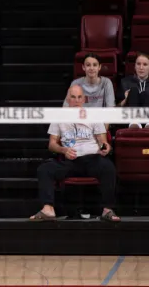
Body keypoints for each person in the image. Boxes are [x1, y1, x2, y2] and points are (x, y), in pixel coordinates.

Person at [29, 85, 120, 222]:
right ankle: (48, 209)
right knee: (44, 169)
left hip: (92, 159)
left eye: (79, 97)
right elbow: (52, 144)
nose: (76, 101)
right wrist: (63, 150)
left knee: (108, 167)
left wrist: (105, 146)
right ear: (68, 99)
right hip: (70, 161)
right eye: (73, 97)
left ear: (84, 99)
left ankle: (107, 209)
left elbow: (102, 140)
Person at [117, 52, 149, 127]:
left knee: (146, 93)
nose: (141, 67)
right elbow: (116, 108)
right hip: (128, 119)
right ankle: (135, 121)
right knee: (133, 90)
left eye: (145, 64)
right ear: (134, 66)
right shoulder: (124, 82)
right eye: (138, 64)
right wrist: (125, 100)